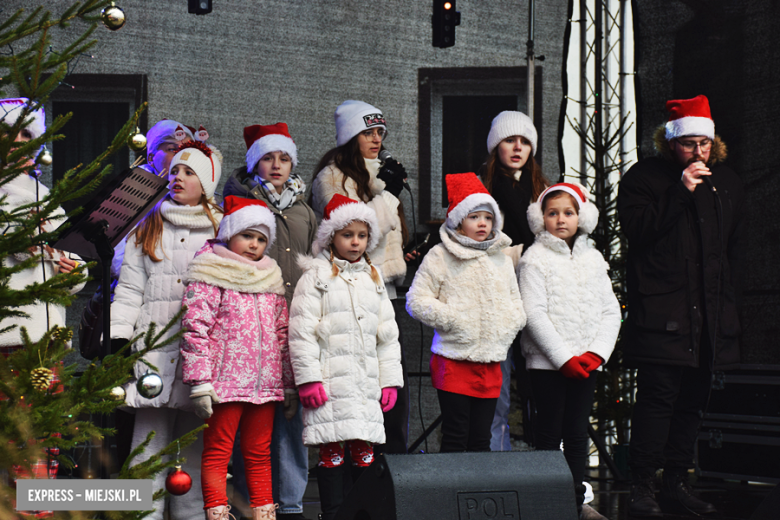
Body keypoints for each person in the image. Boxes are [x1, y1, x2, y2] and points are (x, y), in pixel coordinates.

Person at [617, 95, 745, 517]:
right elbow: (637, 231)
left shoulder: (726, 181)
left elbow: (730, 249)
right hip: (664, 313)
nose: (697, 152)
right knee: (658, 399)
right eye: (689, 144)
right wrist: (681, 191)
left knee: (692, 400)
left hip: (707, 314)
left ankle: (675, 482)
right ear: (671, 142)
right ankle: (642, 486)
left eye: (703, 144)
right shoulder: (645, 178)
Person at [110, 139, 223, 520]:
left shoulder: (221, 229)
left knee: (193, 449)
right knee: (148, 446)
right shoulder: (148, 225)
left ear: (206, 184)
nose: (178, 176)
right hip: (153, 350)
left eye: (189, 172)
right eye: (174, 170)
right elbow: (129, 288)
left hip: (200, 359)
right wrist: (120, 337)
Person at [289, 194, 404, 520]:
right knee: (331, 450)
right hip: (330, 384)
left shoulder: (373, 278)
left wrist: (389, 381)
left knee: (364, 450)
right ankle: (334, 513)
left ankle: (363, 512)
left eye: (362, 235)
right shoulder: (315, 277)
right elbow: (301, 333)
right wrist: (309, 379)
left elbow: (387, 335)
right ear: (331, 237)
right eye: (347, 235)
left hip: (364, 384)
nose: (355, 242)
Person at [223, 122, 317, 520]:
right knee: (253, 417)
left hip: (295, 321)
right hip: (254, 323)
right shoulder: (240, 204)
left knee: (293, 418)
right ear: (254, 163)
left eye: (284, 158)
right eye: (268, 158)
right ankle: (250, 500)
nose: (276, 165)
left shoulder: (304, 209)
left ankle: (292, 501)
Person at [181, 195, 293, 520]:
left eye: (261, 239)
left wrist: (288, 385)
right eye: (247, 235)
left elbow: (282, 335)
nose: (254, 244)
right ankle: (217, 514)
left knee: (259, 453)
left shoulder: (270, 277)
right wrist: (199, 382)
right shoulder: (210, 272)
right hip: (224, 384)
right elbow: (193, 329)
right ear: (229, 233)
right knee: (218, 452)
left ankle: (264, 515)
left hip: (265, 385)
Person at [0, 97, 86, 519]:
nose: (16, 144)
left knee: (40, 434)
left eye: (25, 136)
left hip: (44, 337)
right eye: (7, 135)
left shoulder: (45, 195)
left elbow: (68, 259)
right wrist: (25, 242)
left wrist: (74, 268)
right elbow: (18, 252)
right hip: (8, 334)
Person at [310, 100, 410, 454]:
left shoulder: (380, 173)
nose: (377, 139)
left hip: (385, 290)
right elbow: (358, 230)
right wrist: (387, 194)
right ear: (351, 135)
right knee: (357, 388)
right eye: (368, 131)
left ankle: (392, 472)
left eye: (380, 132)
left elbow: (388, 235)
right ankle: (358, 482)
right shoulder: (332, 177)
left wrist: (406, 254)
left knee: (391, 385)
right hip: (348, 290)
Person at [518, 182, 620, 520]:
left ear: (581, 217)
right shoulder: (535, 259)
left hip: (586, 364)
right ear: (540, 218)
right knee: (548, 433)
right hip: (549, 365)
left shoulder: (593, 259)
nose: (561, 219)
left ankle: (577, 502)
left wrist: (597, 353)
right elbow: (534, 313)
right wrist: (563, 358)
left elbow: (610, 310)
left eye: (569, 212)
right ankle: (547, 503)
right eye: (552, 213)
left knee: (577, 433)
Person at [405, 172, 526, 453]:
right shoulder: (440, 255)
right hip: (454, 361)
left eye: (487, 217)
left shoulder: (501, 259)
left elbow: (516, 305)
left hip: (491, 361)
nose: (482, 223)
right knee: (456, 434)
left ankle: (479, 496)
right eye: (474, 217)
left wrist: (507, 328)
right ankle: (452, 496)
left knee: (481, 439)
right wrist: (454, 320)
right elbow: (416, 300)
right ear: (459, 221)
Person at [479, 110, 548, 451]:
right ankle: (497, 463)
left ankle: (542, 461)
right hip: (497, 298)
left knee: (537, 383)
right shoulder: (482, 191)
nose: (518, 148)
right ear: (496, 147)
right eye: (510, 140)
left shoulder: (544, 191)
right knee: (499, 385)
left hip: (535, 295)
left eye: (524, 141)